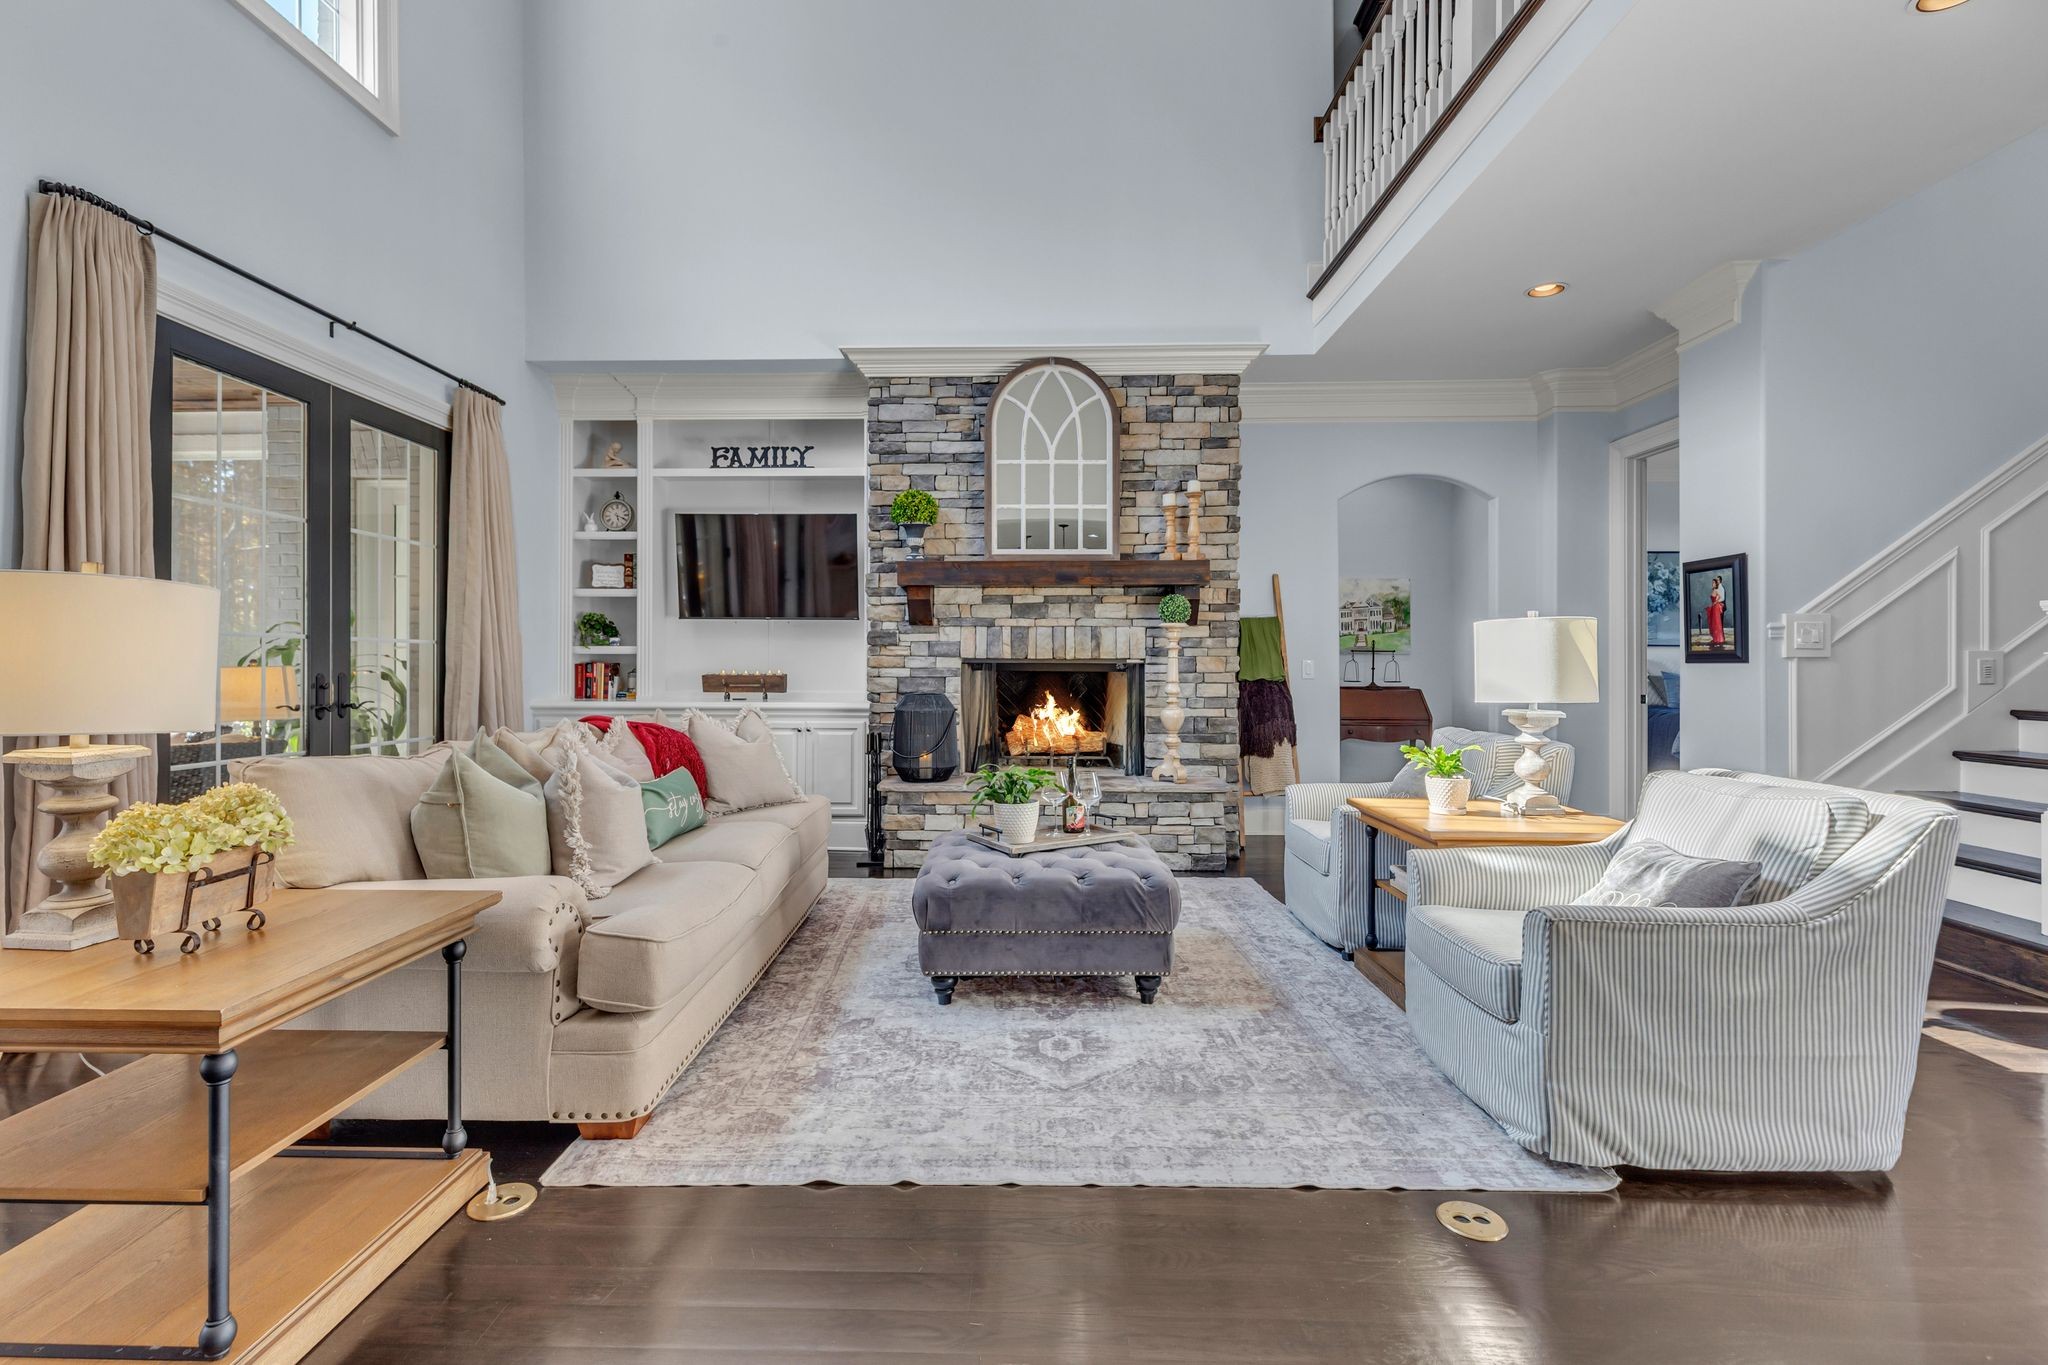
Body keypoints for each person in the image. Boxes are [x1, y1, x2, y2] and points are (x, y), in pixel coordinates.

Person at [1707, 574, 1726, 646]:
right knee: (1715, 623)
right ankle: (1716, 638)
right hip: (1715, 607)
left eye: (1714, 582)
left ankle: (1718, 639)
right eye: (1713, 582)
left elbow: (1721, 597)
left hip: (1717, 607)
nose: (1713, 583)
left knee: (1717, 623)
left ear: (1720, 581)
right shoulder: (1715, 589)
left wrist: (1715, 602)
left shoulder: (1719, 589)